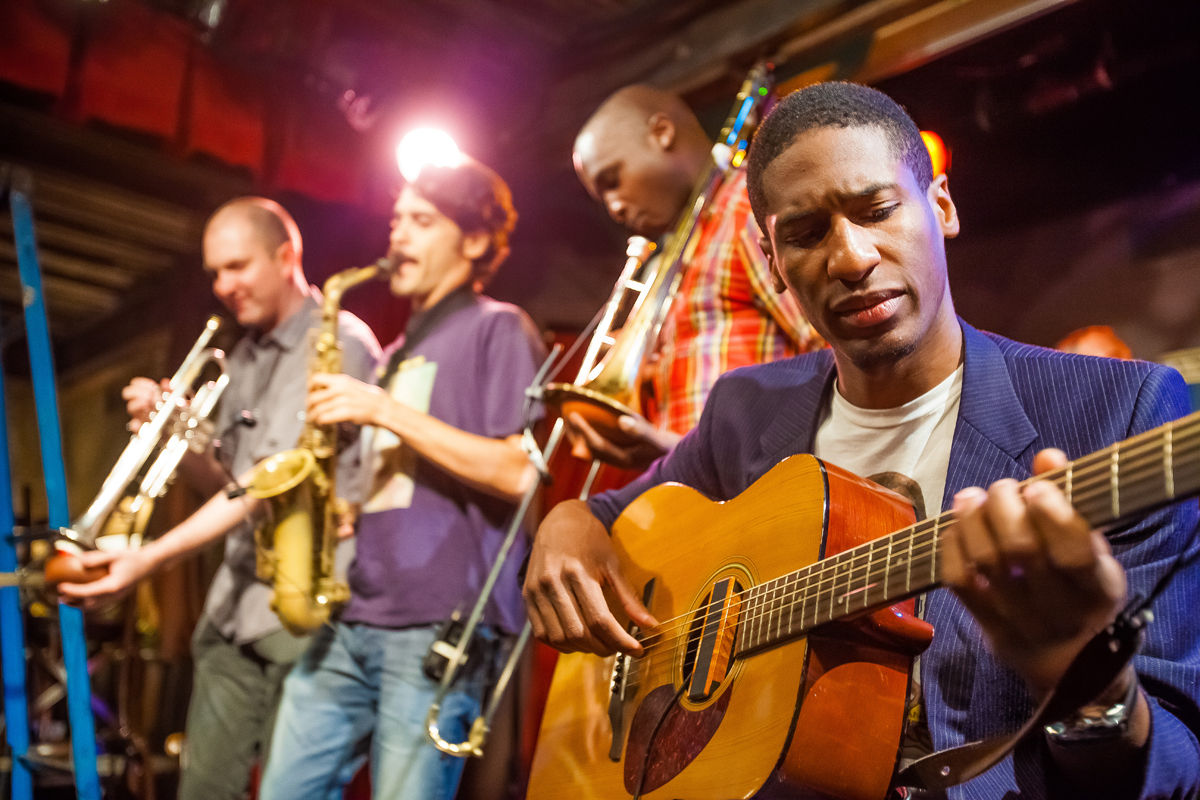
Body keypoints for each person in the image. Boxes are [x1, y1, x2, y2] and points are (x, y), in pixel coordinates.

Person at [523, 82, 1200, 798]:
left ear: (942, 206)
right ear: (772, 259)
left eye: (877, 211)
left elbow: (1179, 767)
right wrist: (567, 521)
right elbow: (616, 515)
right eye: (806, 234)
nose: (850, 258)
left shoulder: (1117, 412)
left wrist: (1089, 687)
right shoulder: (746, 411)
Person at [59, 197, 381, 800]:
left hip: (303, 612)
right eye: (214, 272)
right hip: (234, 607)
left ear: (285, 257)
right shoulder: (242, 357)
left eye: (237, 266)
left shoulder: (338, 341)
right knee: (203, 790)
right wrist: (176, 435)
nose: (223, 286)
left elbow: (265, 484)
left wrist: (149, 559)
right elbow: (228, 481)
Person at [258, 155, 547, 800]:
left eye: (422, 221)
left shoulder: (498, 326)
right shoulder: (392, 358)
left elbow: (519, 472)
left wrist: (381, 409)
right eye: (396, 220)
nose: (399, 236)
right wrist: (348, 511)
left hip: (438, 621)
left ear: (475, 241)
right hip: (354, 613)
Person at [567, 84, 822, 469]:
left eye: (612, 180)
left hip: (762, 483)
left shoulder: (742, 208)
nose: (614, 208)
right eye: (601, 198)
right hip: (699, 489)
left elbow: (832, 356)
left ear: (661, 133)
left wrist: (718, 457)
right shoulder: (677, 254)